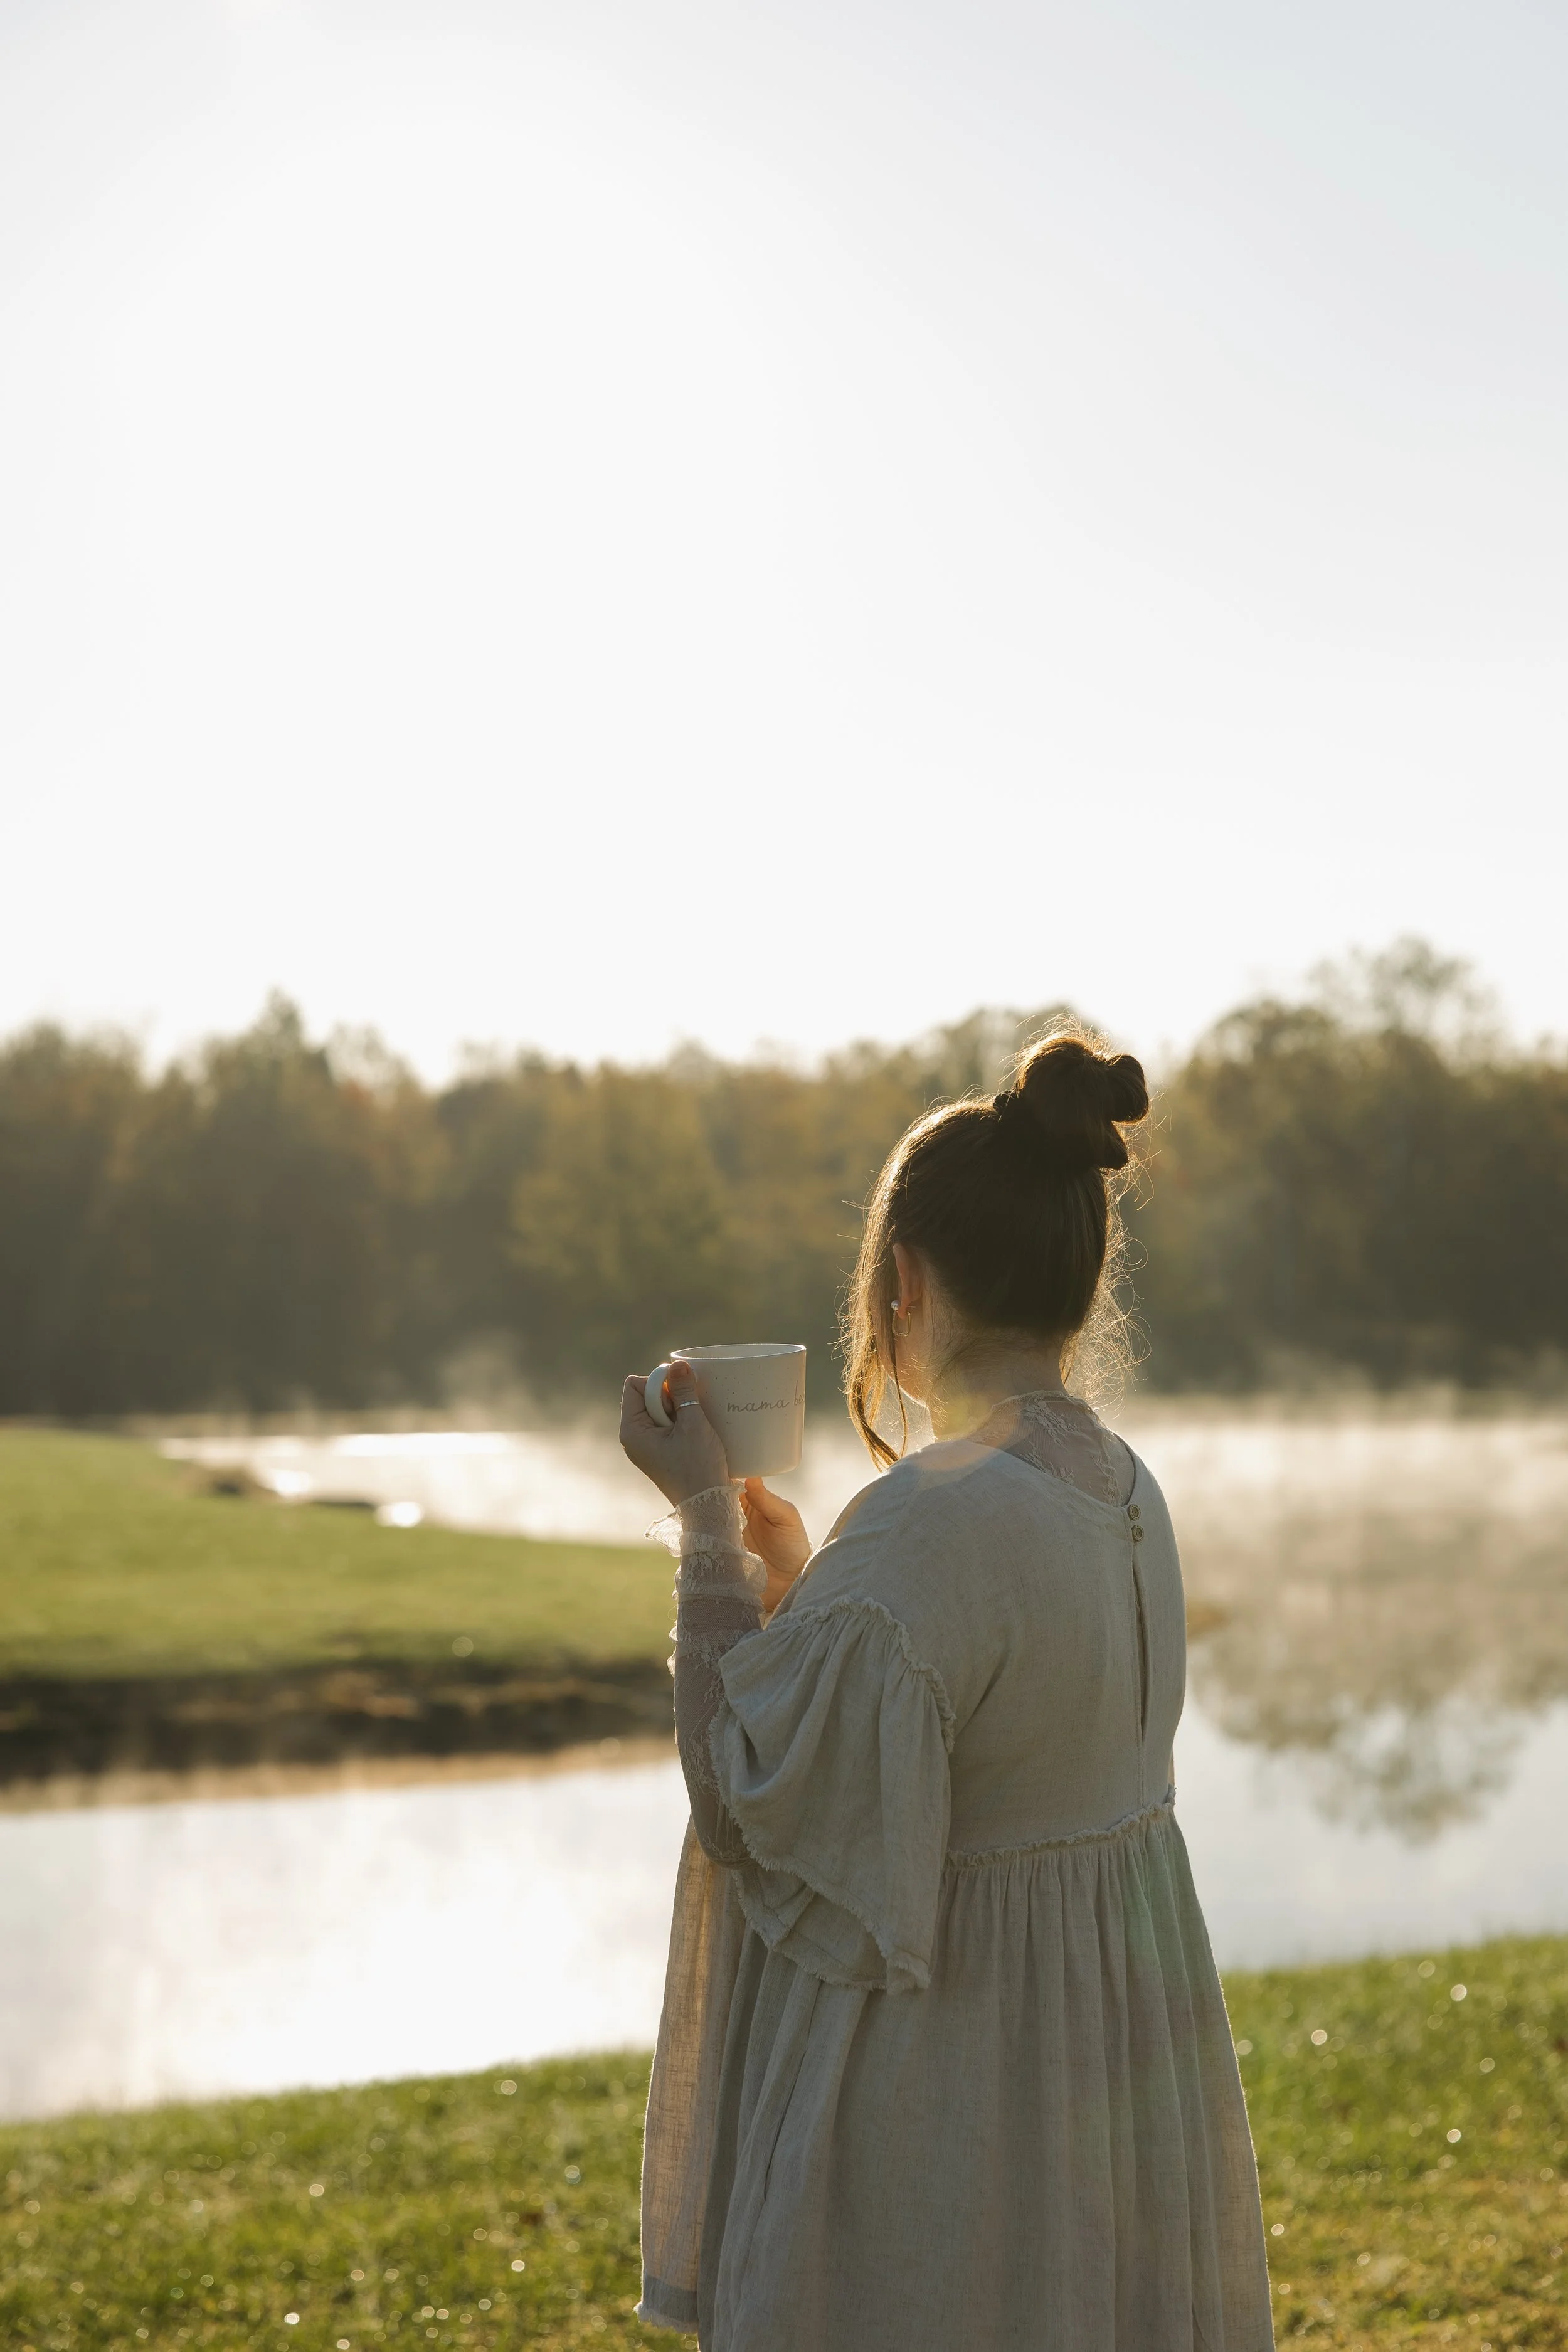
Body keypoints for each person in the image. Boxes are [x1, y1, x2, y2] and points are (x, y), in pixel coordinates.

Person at [619, 1031, 1274, 2351]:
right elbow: (985, 1715)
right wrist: (803, 1580)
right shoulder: (1119, 1487)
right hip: (1094, 2065)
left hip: (952, 2083)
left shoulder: (926, 1515)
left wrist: (700, 1524)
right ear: (1076, 1285)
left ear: (901, 1281)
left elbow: (742, 1802)